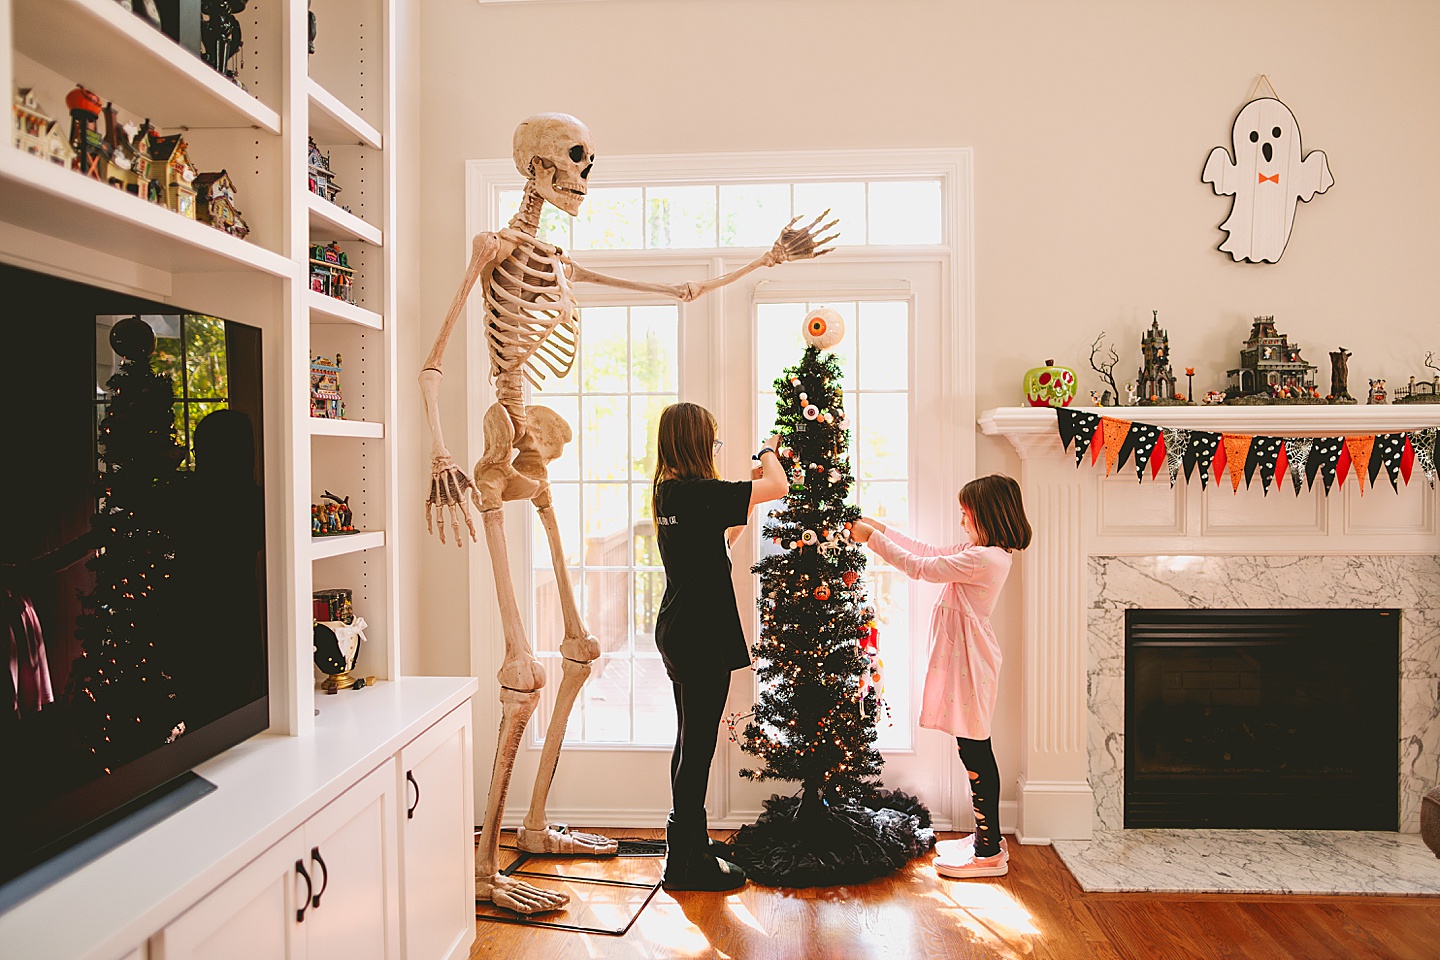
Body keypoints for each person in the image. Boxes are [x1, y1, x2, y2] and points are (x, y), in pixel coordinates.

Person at [851, 474, 1031, 879]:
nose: (963, 522)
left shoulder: (985, 558)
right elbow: (927, 550)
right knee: (971, 746)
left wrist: (870, 541)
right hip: (964, 654)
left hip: (971, 657)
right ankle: (989, 839)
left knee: (975, 748)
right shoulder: (980, 550)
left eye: (967, 515)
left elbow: (920, 568)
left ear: (988, 516)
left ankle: (988, 851)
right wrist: (878, 527)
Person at [651, 402, 787, 891]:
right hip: (702, 634)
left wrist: (743, 495)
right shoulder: (698, 491)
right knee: (698, 748)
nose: (714, 447)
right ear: (695, 441)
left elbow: (724, 537)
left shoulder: (669, 493)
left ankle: (684, 851)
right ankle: (690, 865)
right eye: (711, 439)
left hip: (679, 629)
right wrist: (769, 453)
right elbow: (780, 486)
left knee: (688, 742)